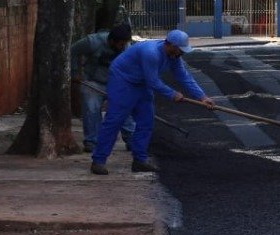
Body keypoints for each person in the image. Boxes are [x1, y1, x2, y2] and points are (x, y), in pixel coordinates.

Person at [90, 29, 215, 175]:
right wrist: (172, 94)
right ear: (171, 45)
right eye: (180, 50)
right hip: (123, 81)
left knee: (146, 121)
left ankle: (140, 160)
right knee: (115, 120)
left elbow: (184, 77)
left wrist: (202, 97)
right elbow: (153, 81)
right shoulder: (151, 53)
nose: (182, 53)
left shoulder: (174, 56)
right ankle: (98, 161)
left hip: (142, 84)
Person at [70, 23, 134, 152]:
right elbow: (73, 51)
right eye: (120, 44)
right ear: (111, 41)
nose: (123, 47)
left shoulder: (127, 49)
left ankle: (131, 138)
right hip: (93, 82)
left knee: (125, 107)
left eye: (125, 44)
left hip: (116, 83)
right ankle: (92, 141)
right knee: (91, 108)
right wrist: (75, 72)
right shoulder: (93, 42)